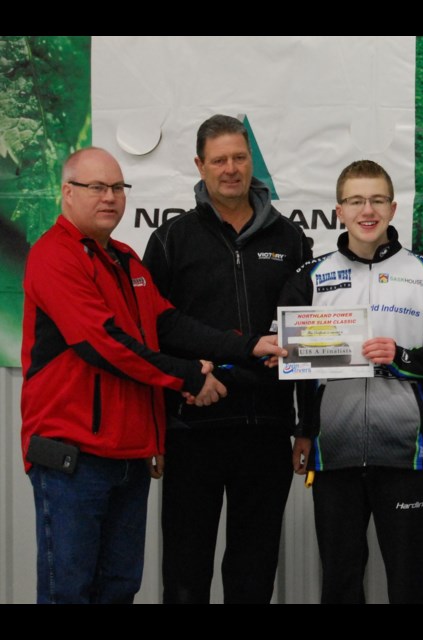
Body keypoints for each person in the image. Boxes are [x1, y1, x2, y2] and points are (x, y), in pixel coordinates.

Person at [21, 147, 283, 604]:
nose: (110, 198)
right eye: (97, 187)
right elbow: (103, 344)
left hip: (130, 459)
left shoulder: (125, 259)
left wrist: (248, 346)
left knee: (120, 588)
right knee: (70, 591)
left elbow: (168, 323)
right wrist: (189, 377)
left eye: (118, 187)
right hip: (73, 461)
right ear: (66, 192)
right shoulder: (54, 256)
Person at [282, 160, 423, 604]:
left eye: (376, 200)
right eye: (355, 201)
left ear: (392, 207)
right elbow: (298, 372)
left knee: (409, 583)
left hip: (404, 455)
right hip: (334, 457)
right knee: (340, 581)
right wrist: (304, 431)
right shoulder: (309, 278)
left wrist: (403, 358)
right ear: (338, 211)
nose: (366, 210)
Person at [142, 114, 311, 604]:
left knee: (253, 575)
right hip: (193, 430)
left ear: (251, 160)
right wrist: (159, 419)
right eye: (219, 160)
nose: (231, 169)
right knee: (185, 575)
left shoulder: (291, 238)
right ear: (200, 165)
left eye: (239, 157)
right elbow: (155, 330)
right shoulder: (171, 238)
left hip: (267, 430)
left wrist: (305, 424)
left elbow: (309, 328)